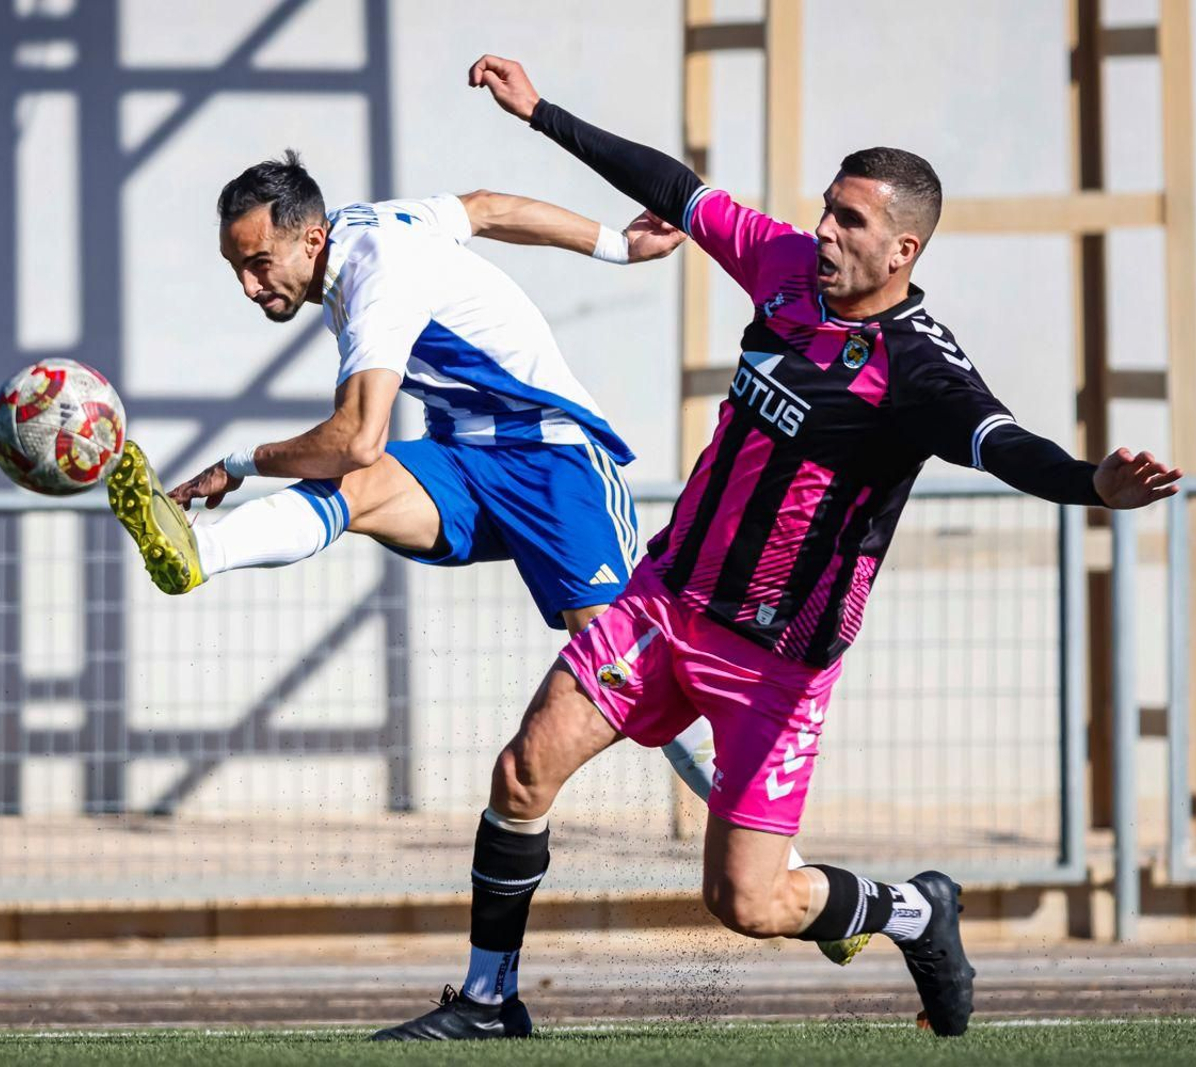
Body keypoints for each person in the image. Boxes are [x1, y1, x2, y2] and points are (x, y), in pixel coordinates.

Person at [370, 56, 1183, 1042]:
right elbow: (676, 190)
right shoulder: (787, 268)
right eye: (827, 210)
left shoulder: (920, 369)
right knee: (521, 772)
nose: (825, 232)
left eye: (850, 222)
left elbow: (1004, 443)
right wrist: (539, 111)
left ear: (903, 250)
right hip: (664, 600)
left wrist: (1091, 482)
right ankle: (489, 997)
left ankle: (914, 910)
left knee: (748, 901)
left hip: (775, 662)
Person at [106, 151, 872, 966]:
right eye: (238, 269)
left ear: (309, 238)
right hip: (466, 456)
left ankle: (797, 881)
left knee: (645, 685)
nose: (252, 286)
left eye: (259, 264)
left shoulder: (375, 278)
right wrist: (615, 244)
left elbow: (355, 433)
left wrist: (240, 462)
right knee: (359, 491)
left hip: (555, 467)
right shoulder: (376, 222)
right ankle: (199, 552)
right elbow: (487, 204)